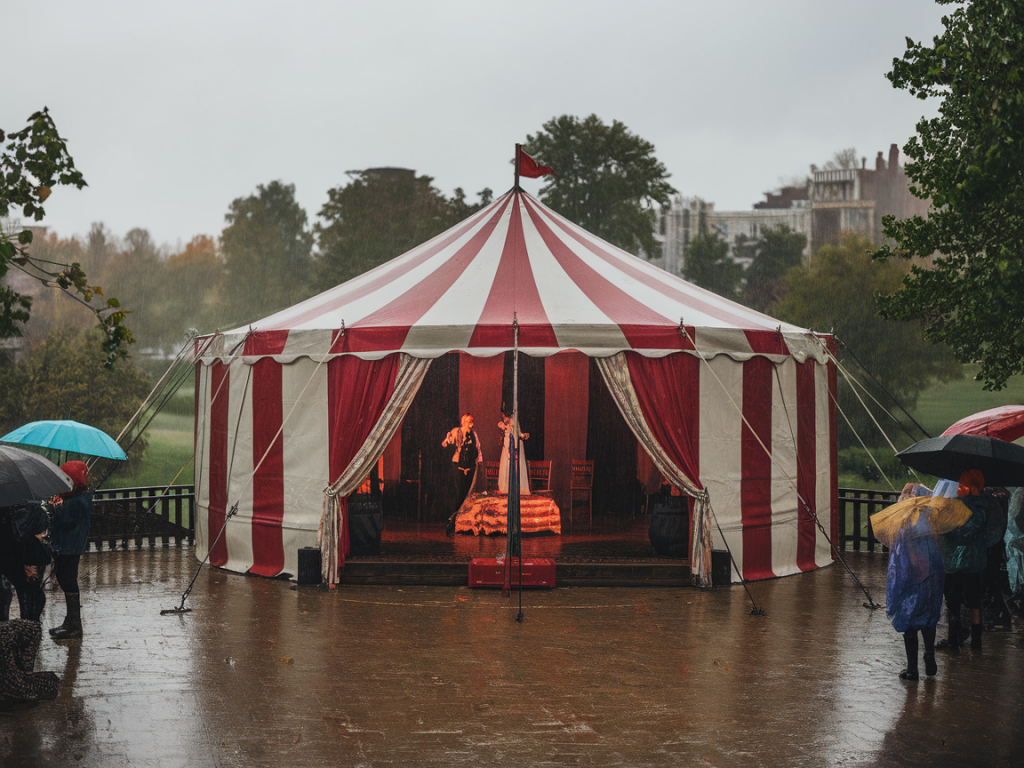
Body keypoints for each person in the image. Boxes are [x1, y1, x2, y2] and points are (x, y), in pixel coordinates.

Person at [886, 508, 944, 680]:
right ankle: (929, 654)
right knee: (928, 619)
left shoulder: (906, 531)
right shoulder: (931, 529)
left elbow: (900, 561)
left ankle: (912, 669)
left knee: (909, 623)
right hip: (931, 581)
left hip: (912, 582)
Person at [939, 469, 989, 652]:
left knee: (953, 601)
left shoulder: (954, 507)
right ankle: (976, 643)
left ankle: (953, 641)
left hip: (954, 563)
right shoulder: (984, 507)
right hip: (975, 563)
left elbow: (949, 531)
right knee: (975, 602)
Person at [47, 461, 93, 641]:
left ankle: (74, 626)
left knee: (68, 581)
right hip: (69, 545)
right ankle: (70, 621)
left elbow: (63, 522)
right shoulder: (79, 497)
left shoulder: (76, 502)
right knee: (65, 580)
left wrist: (53, 505)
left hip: (69, 546)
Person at [0, 504, 51, 622]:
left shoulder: (25, 509)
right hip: (12, 552)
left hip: (22, 552)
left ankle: (28, 626)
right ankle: (27, 626)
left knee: (29, 590)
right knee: (24, 590)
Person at [0, 619, 60, 710]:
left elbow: (8, 665)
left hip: (29, 633)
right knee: (12, 676)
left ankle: (47, 686)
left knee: (14, 678)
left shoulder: (3, 643)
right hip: (20, 632)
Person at [441, 414, 482, 535]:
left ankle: (459, 521)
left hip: (469, 467)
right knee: (458, 494)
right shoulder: (457, 431)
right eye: (469, 422)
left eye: (472, 422)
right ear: (463, 422)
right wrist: (446, 441)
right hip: (458, 466)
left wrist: (479, 463)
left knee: (466, 494)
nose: (472, 424)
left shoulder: (474, 435)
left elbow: (478, 449)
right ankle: (452, 519)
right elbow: (449, 441)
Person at [497, 413, 530, 495]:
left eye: (505, 415)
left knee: (513, 464)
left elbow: (518, 433)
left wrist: (523, 435)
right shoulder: (504, 424)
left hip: (513, 444)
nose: (504, 417)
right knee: (506, 464)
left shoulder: (513, 421)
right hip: (507, 445)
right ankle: (505, 487)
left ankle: (514, 487)